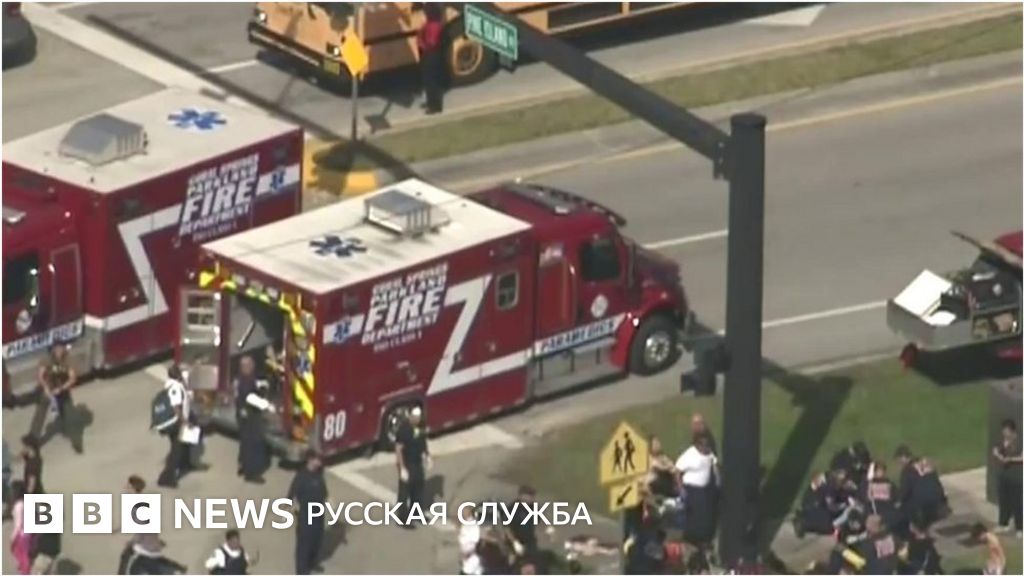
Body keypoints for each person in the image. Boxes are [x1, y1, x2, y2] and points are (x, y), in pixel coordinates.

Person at [30, 343, 78, 449]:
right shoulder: (47, 359)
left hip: (62, 388)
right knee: (41, 411)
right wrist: (46, 388)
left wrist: (61, 389)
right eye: (56, 349)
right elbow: (40, 376)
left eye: (61, 349)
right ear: (53, 350)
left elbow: (72, 378)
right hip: (48, 387)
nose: (59, 351)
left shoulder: (68, 359)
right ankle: (33, 438)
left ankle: (68, 430)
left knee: (67, 410)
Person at [235, 356, 275, 484]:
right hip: (250, 416)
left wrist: (260, 385)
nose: (252, 366)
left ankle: (242, 465)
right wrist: (267, 406)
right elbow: (250, 397)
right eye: (250, 365)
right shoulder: (246, 381)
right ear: (245, 367)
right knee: (253, 444)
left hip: (244, 415)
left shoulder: (244, 378)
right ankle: (251, 473)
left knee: (245, 442)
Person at [288, 450, 328, 575]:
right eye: (318, 459)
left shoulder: (319, 474)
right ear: (310, 460)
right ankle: (301, 570)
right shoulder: (301, 476)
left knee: (316, 540)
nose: (320, 462)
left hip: (318, 513)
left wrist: (328, 500)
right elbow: (292, 495)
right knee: (304, 544)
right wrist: (292, 508)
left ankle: (312, 563)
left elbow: (324, 492)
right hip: (306, 515)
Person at [676, 432, 718, 547]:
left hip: (704, 490)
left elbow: (714, 465)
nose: (705, 447)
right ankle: (691, 539)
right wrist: (681, 489)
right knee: (694, 516)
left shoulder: (709, 453)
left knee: (704, 515)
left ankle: (703, 539)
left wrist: (718, 481)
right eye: (702, 444)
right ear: (697, 445)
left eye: (707, 444)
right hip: (691, 489)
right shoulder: (689, 455)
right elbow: (677, 471)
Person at [894, 445, 948, 528]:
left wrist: (898, 502)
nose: (899, 462)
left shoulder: (907, 470)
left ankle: (916, 525)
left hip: (922, 504)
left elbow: (905, 490)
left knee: (903, 507)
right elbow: (935, 481)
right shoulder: (926, 463)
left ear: (903, 457)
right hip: (937, 498)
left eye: (899, 459)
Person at [395, 405, 432, 527]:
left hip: (417, 462)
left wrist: (427, 456)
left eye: (419, 417)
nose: (417, 419)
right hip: (407, 463)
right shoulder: (403, 429)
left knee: (418, 489)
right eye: (415, 417)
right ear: (410, 416)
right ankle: (402, 518)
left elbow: (422, 441)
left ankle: (416, 513)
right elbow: (398, 449)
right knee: (404, 492)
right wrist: (402, 468)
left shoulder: (420, 427)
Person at [157, 365, 191, 488]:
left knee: (181, 445)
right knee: (176, 450)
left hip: (175, 421)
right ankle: (166, 478)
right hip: (176, 423)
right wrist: (184, 421)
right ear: (177, 374)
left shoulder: (170, 384)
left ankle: (184, 464)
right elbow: (176, 406)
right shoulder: (175, 387)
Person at [993, 419, 1022, 535]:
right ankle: (1003, 523)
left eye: (1007, 431)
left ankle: (1020, 527)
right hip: (1004, 475)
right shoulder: (1003, 441)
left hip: (1017, 477)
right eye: (1003, 431)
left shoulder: (1020, 441)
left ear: (1012, 431)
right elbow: (996, 449)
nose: (1004, 434)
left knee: (1017, 502)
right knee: (1004, 500)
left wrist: (1011, 459)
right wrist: (997, 454)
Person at [416, 2, 444, 115]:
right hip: (433, 55)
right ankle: (431, 102)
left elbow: (431, 43)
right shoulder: (433, 24)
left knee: (431, 81)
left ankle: (434, 106)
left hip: (431, 55)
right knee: (430, 81)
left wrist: (421, 43)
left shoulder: (433, 26)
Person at [861, 462, 901, 535]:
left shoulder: (890, 484)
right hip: (873, 513)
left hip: (887, 513)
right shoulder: (868, 484)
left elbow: (897, 498)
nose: (881, 473)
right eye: (879, 471)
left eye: (882, 471)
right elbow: (863, 498)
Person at [508, 485, 538, 561]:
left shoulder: (534, 507)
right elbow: (506, 528)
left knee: (532, 561)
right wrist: (515, 542)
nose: (531, 499)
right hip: (515, 540)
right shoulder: (512, 508)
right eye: (529, 497)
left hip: (530, 541)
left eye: (532, 497)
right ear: (521, 496)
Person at [10, 481, 33, 575]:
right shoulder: (27, 502)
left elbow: (18, 524)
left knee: (18, 553)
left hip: (21, 534)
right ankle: (24, 568)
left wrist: (12, 537)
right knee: (24, 553)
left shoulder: (18, 505)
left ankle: (25, 571)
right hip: (28, 533)